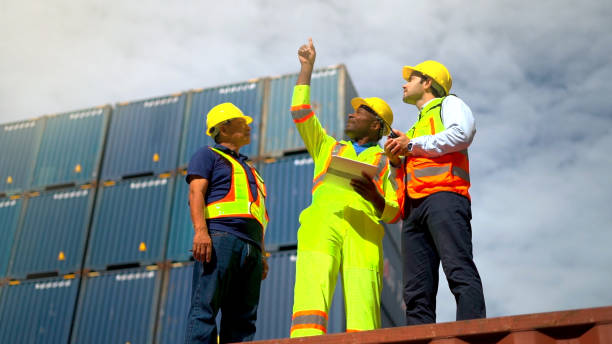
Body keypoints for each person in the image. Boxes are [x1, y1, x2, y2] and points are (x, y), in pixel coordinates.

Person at [289, 38, 401, 337]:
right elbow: (300, 112)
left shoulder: (389, 160)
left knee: (364, 302)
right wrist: (306, 68)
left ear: (376, 125)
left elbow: (394, 212)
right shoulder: (327, 146)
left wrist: (377, 199)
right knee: (312, 291)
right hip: (321, 223)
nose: (352, 114)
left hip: (365, 229)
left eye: (361, 112)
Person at [384, 60, 486, 324]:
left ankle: (472, 336)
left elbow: (462, 134)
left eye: (411, 78)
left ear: (427, 82)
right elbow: (408, 172)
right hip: (414, 209)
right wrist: (397, 159)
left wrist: (411, 145)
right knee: (416, 292)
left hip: (445, 198)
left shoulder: (450, 104)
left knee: (458, 270)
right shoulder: (414, 128)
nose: (404, 84)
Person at [184, 102, 269, 344]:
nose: (249, 126)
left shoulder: (252, 170)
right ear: (225, 127)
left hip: (251, 247)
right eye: (243, 121)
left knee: (244, 319)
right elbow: (195, 194)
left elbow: (259, 214)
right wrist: (201, 232)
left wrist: (262, 254)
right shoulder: (207, 155)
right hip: (220, 238)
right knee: (204, 310)